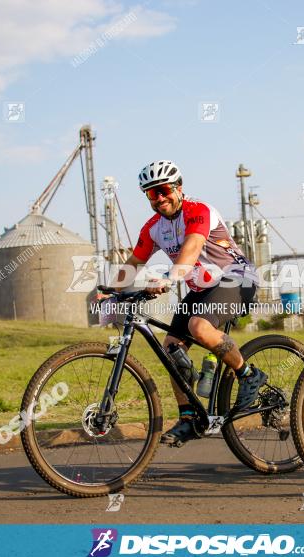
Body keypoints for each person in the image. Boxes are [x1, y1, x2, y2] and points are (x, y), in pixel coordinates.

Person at [113, 160, 265, 446]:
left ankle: (248, 374)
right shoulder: (153, 228)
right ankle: (188, 419)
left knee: (198, 326)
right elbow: (134, 261)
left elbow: (192, 247)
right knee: (171, 348)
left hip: (236, 279)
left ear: (178, 188)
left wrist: (169, 279)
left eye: (164, 190)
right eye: (151, 194)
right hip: (203, 288)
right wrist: (111, 292)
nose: (159, 198)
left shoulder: (199, 211)